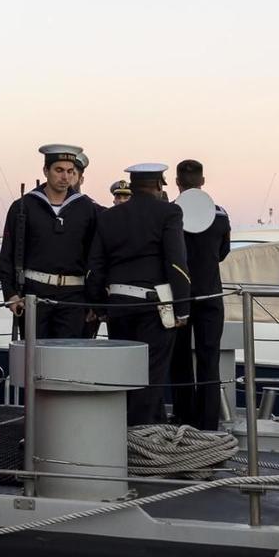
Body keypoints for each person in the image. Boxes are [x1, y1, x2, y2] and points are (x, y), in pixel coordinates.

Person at [89, 163, 191, 427]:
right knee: (150, 375)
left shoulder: (109, 217)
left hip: (117, 306)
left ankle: (142, 428)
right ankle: (141, 439)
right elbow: (177, 262)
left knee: (125, 373)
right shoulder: (169, 212)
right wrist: (182, 307)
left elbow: (96, 265)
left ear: (132, 187)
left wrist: (99, 306)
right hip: (153, 307)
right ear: (159, 186)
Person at [0, 144, 101, 339]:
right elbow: (8, 254)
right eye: (59, 170)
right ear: (46, 171)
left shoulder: (86, 208)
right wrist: (10, 294)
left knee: (68, 359)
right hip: (34, 294)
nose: (65, 177)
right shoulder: (23, 207)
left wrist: (94, 299)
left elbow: (95, 257)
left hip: (74, 296)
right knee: (35, 360)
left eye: (70, 171)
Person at [175, 158, 232, 432]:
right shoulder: (220, 216)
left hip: (180, 297)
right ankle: (209, 424)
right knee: (210, 360)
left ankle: (184, 419)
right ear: (203, 182)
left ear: (177, 183)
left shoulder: (170, 214)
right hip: (210, 295)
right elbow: (222, 252)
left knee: (180, 358)